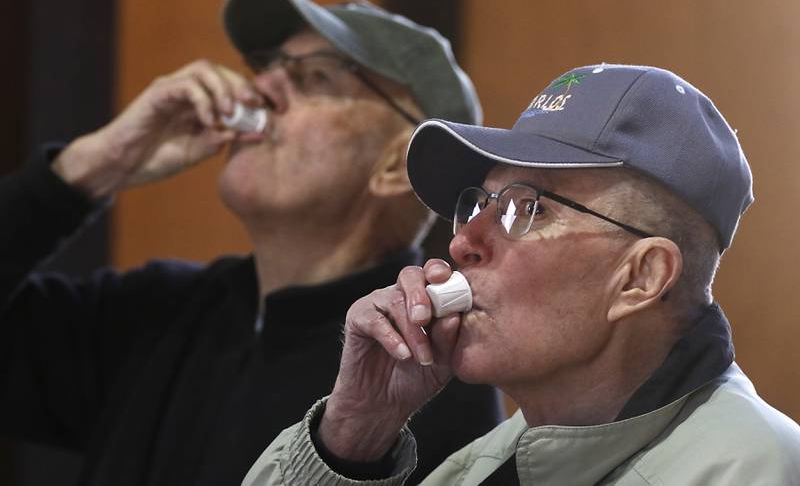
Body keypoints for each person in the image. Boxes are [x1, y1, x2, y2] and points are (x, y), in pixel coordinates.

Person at [0, 0, 505, 485]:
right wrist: (86, 170)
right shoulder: (156, 315)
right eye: (266, 66)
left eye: (314, 77)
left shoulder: (428, 364)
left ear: (398, 164)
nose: (260, 88)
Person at [243, 64, 800, 485]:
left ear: (641, 277)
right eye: (477, 204)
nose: (461, 243)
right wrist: (353, 434)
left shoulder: (758, 468)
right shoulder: (483, 466)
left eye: (526, 209)